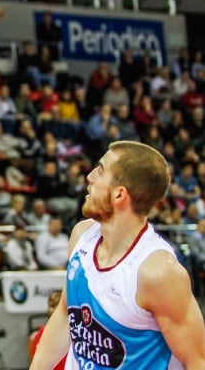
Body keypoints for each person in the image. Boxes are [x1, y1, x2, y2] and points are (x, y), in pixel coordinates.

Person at [30, 141, 205, 369]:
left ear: (119, 194)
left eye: (100, 171)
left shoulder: (158, 272)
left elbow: (197, 360)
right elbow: (65, 314)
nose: (90, 177)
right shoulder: (82, 236)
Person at [27, 290, 64, 370]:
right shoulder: (34, 338)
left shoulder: (76, 336)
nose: (55, 309)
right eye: (52, 305)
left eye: (58, 304)